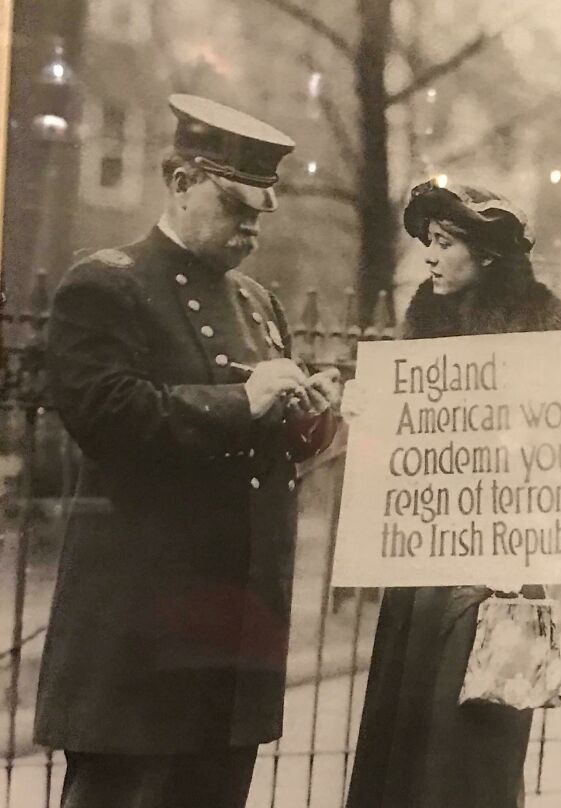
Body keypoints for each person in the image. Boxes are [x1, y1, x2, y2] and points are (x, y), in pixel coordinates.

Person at [33, 94, 339, 808]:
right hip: (144, 636)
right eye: (236, 208)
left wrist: (312, 422)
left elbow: (265, 453)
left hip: (232, 638)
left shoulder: (259, 304)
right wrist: (245, 400)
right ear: (179, 183)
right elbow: (107, 414)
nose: (251, 230)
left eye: (261, 214)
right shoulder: (106, 285)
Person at [345, 179, 561, 808]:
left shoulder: (542, 333)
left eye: (445, 242)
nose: (430, 256)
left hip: (498, 576)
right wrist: (368, 414)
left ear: (489, 253)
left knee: (471, 751)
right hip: (421, 570)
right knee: (408, 736)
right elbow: (399, 454)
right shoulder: (423, 327)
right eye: (427, 242)